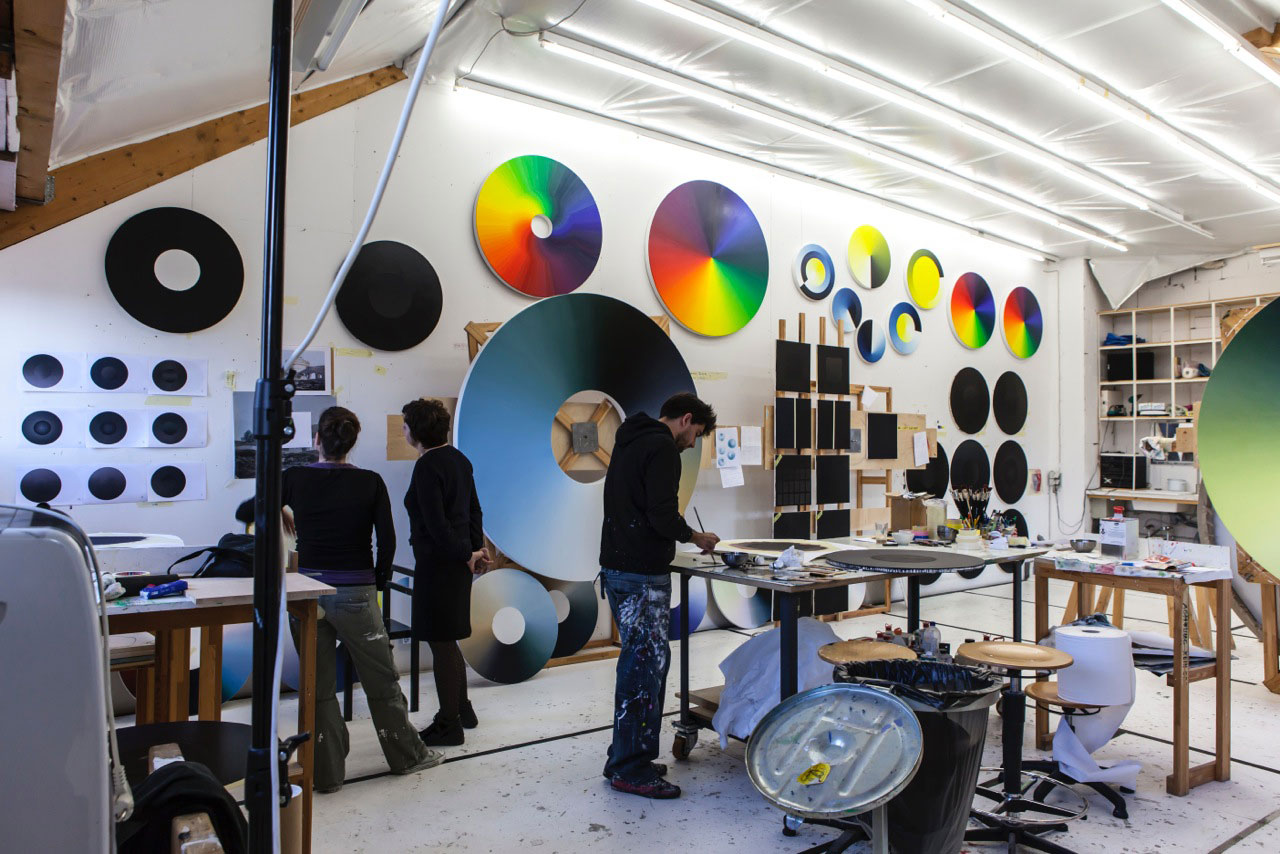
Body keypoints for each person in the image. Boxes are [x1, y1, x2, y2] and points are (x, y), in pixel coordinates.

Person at [281, 406, 441, 793]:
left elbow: (251, 510)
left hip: (307, 595)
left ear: (316, 440)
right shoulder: (370, 482)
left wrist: (279, 511)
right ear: (352, 443)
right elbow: (387, 540)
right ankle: (407, 756)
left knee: (317, 689)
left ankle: (326, 775)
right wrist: (379, 582)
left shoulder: (294, 478)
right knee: (381, 682)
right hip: (356, 592)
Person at [599, 392, 720, 799]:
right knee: (643, 669)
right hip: (641, 576)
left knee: (639, 663)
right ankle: (630, 769)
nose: (692, 442)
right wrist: (695, 536)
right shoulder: (663, 448)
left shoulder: (630, 440)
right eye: (696, 433)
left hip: (619, 568)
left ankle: (624, 756)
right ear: (686, 419)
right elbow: (662, 515)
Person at [401, 398, 489, 747]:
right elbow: (474, 510)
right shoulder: (458, 459)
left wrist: (467, 554)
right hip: (457, 562)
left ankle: (448, 723)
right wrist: (476, 550)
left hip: (439, 565)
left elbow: (436, 525)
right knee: (448, 638)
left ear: (416, 431)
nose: (403, 430)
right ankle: (462, 708)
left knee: (441, 641)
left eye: (406, 425)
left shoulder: (427, 466)